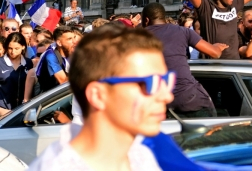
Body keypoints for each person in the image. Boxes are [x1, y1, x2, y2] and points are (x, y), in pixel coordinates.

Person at [28, 24, 168, 171]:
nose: (167, 96)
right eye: (146, 83)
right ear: (97, 95)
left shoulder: (143, 156)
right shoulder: (58, 167)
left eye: (165, 80)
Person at [142, 3, 227, 116]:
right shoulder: (182, 31)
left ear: (146, 20)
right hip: (192, 99)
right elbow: (215, 53)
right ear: (164, 18)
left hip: (159, 105)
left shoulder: (136, 38)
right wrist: (217, 47)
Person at [0, 33, 34, 114]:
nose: (13, 52)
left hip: (22, 111)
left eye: (16, 48)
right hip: (3, 112)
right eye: (10, 48)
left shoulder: (28, 63)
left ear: (23, 47)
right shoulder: (0, 62)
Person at [37, 26, 76, 93]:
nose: (74, 41)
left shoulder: (72, 51)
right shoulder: (50, 56)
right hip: (49, 98)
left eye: (74, 38)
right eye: (69, 39)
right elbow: (64, 82)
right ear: (59, 43)